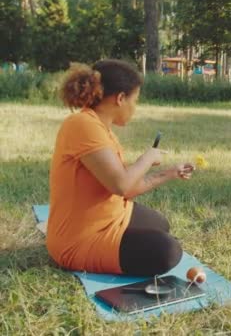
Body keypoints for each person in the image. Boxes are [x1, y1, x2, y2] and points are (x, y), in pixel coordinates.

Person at [47, 59, 195, 276]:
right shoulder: (82, 125)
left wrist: (170, 173)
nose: (135, 108)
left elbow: (128, 190)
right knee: (168, 251)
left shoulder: (100, 128)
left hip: (110, 215)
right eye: (135, 100)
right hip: (77, 239)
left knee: (160, 224)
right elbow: (122, 186)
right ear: (120, 98)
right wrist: (147, 158)